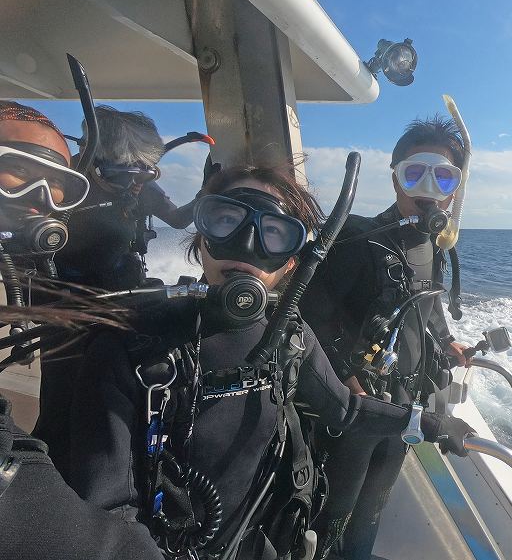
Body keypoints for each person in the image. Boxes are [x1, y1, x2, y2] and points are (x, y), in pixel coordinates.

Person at [36, 163, 476, 560]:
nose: (246, 247)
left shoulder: (289, 336)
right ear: (201, 237)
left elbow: (345, 409)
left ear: (293, 262)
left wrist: (428, 424)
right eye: (226, 220)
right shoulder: (134, 345)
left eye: (275, 233)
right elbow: (107, 509)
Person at [300, 116, 472, 560]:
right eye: (415, 173)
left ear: (456, 187)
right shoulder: (358, 240)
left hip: (404, 406)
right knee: (334, 516)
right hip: (355, 410)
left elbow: (427, 303)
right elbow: (311, 317)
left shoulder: (432, 245)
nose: (427, 188)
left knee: (372, 511)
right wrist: (349, 384)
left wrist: (447, 340)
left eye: (444, 175)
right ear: (394, 177)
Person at [0, 100, 164, 560]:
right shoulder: (81, 198)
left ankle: (63, 483)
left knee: (97, 414)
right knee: (62, 405)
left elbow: (177, 218)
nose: (45, 196)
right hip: (69, 321)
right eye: (16, 170)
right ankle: (59, 478)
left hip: (117, 321)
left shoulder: (133, 195)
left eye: (143, 172)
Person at [55, 105, 196, 290]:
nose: (131, 184)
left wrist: (208, 193)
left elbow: (178, 220)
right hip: (64, 284)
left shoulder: (141, 183)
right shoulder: (61, 179)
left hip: (121, 282)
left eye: (139, 175)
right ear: (85, 154)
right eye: (119, 175)